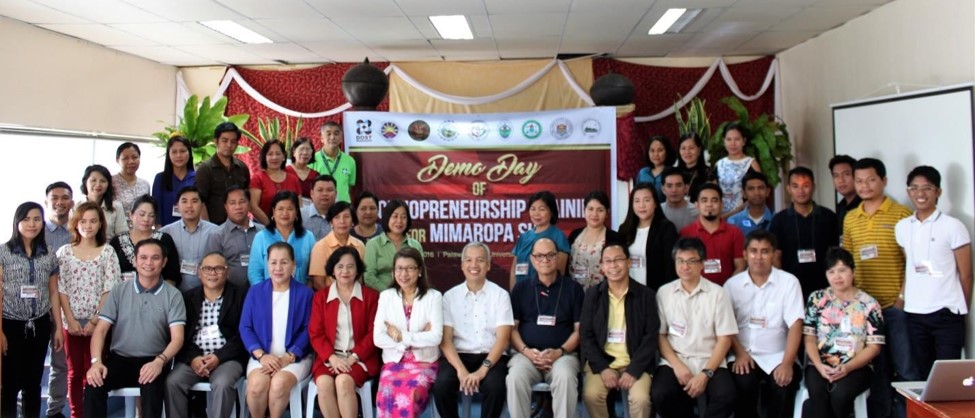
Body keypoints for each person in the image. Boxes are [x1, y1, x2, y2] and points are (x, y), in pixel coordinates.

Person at [842, 157, 917, 418]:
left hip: (895, 307)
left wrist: (901, 297)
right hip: (865, 311)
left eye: (871, 179)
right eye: (859, 180)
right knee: (877, 371)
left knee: (906, 368)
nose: (864, 185)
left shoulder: (902, 215)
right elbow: (847, 263)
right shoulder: (851, 219)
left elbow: (912, 262)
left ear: (883, 181)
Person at [83, 238, 186, 418]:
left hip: (154, 360)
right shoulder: (119, 290)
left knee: (152, 393)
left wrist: (159, 361)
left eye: (155, 258)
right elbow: (100, 330)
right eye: (143, 257)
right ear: (135, 261)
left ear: (164, 262)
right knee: (93, 385)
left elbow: (177, 338)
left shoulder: (174, 295)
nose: (148, 263)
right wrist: (96, 362)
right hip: (119, 359)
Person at [895, 166, 971, 378]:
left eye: (927, 188)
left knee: (948, 376)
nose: (920, 194)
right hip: (915, 313)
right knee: (923, 375)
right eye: (914, 188)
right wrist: (902, 297)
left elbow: (966, 275)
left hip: (946, 313)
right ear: (908, 191)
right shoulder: (902, 227)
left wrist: (961, 311)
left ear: (938, 192)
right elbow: (910, 264)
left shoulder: (953, 226)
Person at [651, 237, 737, 418]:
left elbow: (725, 338)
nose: (685, 267)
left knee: (726, 395)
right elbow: (661, 336)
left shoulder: (717, 293)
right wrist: (678, 366)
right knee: (661, 393)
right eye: (680, 261)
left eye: (691, 261)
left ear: (702, 264)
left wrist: (706, 373)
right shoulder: (664, 292)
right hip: (676, 359)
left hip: (710, 360)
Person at [724, 230, 804, 418]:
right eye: (753, 251)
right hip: (742, 354)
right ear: (744, 254)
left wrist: (787, 363)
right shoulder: (731, 285)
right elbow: (725, 326)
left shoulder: (789, 282)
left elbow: (795, 325)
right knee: (743, 384)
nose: (758, 257)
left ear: (774, 254)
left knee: (783, 385)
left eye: (764, 251)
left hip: (778, 355)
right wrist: (740, 353)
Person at [56, 202, 122, 418]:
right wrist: (71, 320)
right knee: (74, 372)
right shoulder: (64, 253)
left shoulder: (108, 252)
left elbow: (110, 287)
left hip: (100, 323)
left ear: (100, 223)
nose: (88, 225)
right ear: (75, 223)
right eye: (83, 221)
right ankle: (76, 414)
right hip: (71, 323)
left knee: (92, 369)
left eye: (93, 220)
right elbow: (60, 289)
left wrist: (95, 320)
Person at [433, 242, 513, 418]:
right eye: (468, 260)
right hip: (458, 356)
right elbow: (445, 341)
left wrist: (482, 370)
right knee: (442, 387)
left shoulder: (500, 295)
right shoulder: (449, 296)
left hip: (491, 357)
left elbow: (503, 339)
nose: (474, 265)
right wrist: (461, 370)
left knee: (495, 388)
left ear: (489, 265)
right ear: (462, 266)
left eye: (480, 260)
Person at [507, 238, 584, 418]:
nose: (545, 260)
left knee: (565, 377)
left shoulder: (574, 289)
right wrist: (527, 352)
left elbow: (579, 330)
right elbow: (512, 329)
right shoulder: (521, 289)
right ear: (532, 259)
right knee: (515, 377)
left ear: (557, 257)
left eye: (550, 255)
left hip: (562, 356)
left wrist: (559, 351)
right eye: (539, 256)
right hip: (526, 356)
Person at [803, 247, 884, 418]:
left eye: (842, 270)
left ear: (852, 271)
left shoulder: (869, 304)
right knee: (818, 394)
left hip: (856, 367)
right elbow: (809, 338)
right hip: (820, 365)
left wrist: (847, 367)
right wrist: (819, 366)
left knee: (840, 396)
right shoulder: (817, 299)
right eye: (831, 271)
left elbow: (874, 347)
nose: (837, 276)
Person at [580, 243, 659, 418]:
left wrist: (633, 370)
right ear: (602, 266)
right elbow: (586, 335)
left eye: (618, 260)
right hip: (602, 361)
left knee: (640, 400)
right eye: (607, 261)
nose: (613, 266)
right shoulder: (593, 295)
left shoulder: (646, 295)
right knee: (591, 396)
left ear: (629, 263)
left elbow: (651, 336)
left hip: (635, 362)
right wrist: (603, 368)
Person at [0, 202, 64, 418]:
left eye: (37, 219)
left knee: (33, 383)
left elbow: (54, 291)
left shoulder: (49, 255)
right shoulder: (3, 253)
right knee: (9, 385)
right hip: (10, 324)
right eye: (26, 219)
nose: (32, 224)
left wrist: (57, 328)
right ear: (17, 222)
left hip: (39, 324)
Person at [165, 252, 248, 418]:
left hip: (227, 358)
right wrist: (194, 358)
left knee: (223, 384)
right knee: (172, 382)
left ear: (228, 272)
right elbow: (180, 335)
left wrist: (218, 357)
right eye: (207, 269)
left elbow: (242, 335)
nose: (212, 273)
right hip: (194, 359)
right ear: (199, 273)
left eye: (218, 269)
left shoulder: (241, 296)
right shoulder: (187, 298)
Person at [239, 242, 315, 418]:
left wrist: (289, 356)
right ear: (267, 265)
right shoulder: (255, 292)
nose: (278, 268)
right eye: (273, 262)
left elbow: (309, 329)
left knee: (279, 385)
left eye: (284, 262)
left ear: (293, 265)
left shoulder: (306, 294)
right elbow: (245, 326)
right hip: (262, 357)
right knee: (256, 387)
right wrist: (261, 356)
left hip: (295, 359)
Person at [309, 247, 380, 418]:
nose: (345, 271)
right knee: (324, 384)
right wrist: (332, 358)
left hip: (359, 358)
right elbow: (315, 333)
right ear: (332, 270)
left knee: (343, 381)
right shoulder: (321, 297)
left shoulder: (371, 297)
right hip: (329, 358)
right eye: (340, 267)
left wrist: (353, 357)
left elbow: (374, 333)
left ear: (358, 270)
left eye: (350, 266)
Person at [374, 247, 443, 418]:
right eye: (399, 268)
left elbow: (436, 337)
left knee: (411, 393)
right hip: (394, 362)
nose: (404, 274)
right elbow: (378, 337)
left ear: (419, 271)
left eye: (410, 268)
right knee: (387, 390)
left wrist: (400, 335)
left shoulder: (433, 297)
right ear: (393, 272)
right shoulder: (386, 296)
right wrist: (416, 338)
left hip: (424, 362)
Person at [769, 167, 839, 299]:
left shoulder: (828, 216)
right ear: (788, 189)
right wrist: (780, 285)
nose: (801, 191)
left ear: (813, 187)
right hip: (791, 288)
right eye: (795, 186)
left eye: (805, 186)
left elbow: (835, 253)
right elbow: (776, 256)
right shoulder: (779, 220)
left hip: (825, 287)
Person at [44, 181, 74, 418]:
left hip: (64, 307)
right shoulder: (35, 229)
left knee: (60, 364)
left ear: (72, 203)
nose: (60, 202)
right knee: (28, 366)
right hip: (34, 308)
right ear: (47, 202)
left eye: (65, 197)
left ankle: (54, 412)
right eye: (55, 197)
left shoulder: (78, 232)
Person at [679, 183, 745, 286]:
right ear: (697, 205)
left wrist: (729, 289)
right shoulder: (686, 233)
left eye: (714, 200)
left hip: (727, 293)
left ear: (722, 204)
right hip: (695, 293)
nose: (709, 204)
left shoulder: (735, 232)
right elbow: (681, 267)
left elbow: (740, 266)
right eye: (704, 200)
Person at [247, 191, 316, 286]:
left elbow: (313, 274)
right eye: (280, 209)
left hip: (301, 296)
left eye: (290, 209)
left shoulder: (308, 237)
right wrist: (263, 294)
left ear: (297, 212)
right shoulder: (261, 237)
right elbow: (254, 273)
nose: (285, 213)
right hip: (268, 296)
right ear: (273, 212)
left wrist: (305, 294)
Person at [109, 195, 181, 285]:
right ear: (131, 215)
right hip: (122, 294)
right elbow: (109, 275)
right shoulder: (117, 241)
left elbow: (172, 276)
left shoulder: (164, 240)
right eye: (142, 214)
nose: (146, 219)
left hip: (156, 295)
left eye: (151, 215)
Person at [618, 183, 678, 290]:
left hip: (657, 291)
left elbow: (671, 267)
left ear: (655, 203)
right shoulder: (624, 229)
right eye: (637, 201)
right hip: (629, 291)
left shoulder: (666, 229)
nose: (641, 205)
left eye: (646, 200)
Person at [160, 186, 219, 291]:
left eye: (194, 201)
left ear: (202, 205)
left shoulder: (215, 232)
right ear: (177, 205)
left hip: (207, 292)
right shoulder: (165, 233)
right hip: (174, 292)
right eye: (184, 201)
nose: (189, 206)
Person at [509, 191, 571, 288]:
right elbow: (514, 271)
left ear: (551, 211)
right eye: (532, 209)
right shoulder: (524, 237)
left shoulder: (559, 236)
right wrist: (514, 294)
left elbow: (559, 273)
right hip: (521, 294)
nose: (536, 213)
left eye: (541, 209)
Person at [196, 122, 250, 225]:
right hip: (215, 227)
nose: (229, 145)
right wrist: (208, 230)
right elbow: (200, 202)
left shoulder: (242, 168)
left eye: (233, 141)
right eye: (224, 141)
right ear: (216, 141)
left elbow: (246, 199)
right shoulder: (205, 169)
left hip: (238, 227)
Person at [365, 199, 424, 292]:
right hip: (381, 297)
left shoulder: (415, 245)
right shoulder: (373, 244)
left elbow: (421, 274)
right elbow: (369, 277)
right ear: (387, 218)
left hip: (411, 297)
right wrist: (391, 294)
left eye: (403, 217)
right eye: (395, 216)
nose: (399, 221)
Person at [567, 191, 622, 289]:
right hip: (573, 295)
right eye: (590, 209)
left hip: (601, 295)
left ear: (607, 213)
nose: (594, 214)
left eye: (600, 210)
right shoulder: (574, 234)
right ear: (584, 210)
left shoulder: (614, 238)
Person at [308, 201, 366, 290]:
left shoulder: (359, 245)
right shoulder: (320, 247)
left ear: (353, 221)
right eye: (337, 217)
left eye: (346, 217)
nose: (342, 221)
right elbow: (318, 283)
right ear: (331, 222)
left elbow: (362, 278)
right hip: (330, 298)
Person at [250, 140, 303, 226]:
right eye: (270, 154)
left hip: (289, 227)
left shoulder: (293, 179)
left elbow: (299, 206)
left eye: (278, 154)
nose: (274, 157)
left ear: (283, 156)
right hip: (264, 227)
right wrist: (271, 226)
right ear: (264, 157)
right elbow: (253, 206)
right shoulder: (258, 178)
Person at [714, 123, 761, 216]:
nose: (733, 143)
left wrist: (732, 214)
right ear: (724, 141)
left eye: (737, 139)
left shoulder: (751, 164)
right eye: (729, 139)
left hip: (744, 215)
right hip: (719, 215)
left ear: (744, 141)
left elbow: (757, 194)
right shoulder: (719, 164)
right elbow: (712, 192)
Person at [152, 136, 196, 227]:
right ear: (169, 154)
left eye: (183, 151)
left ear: (189, 153)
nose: (178, 155)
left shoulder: (197, 178)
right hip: (166, 231)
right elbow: (157, 210)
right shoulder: (160, 178)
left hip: (192, 230)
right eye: (174, 152)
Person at [309, 121, 356, 203]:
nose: (332, 137)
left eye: (336, 134)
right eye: (328, 134)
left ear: (341, 138)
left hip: (343, 208)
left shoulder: (350, 161)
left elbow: (350, 186)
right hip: (321, 206)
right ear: (322, 139)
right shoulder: (312, 159)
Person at [80, 164, 128, 240]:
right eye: (93, 180)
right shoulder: (77, 207)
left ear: (108, 184)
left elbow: (122, 236)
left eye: (103, 181)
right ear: (85, 182)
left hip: (109, 249)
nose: (98, 184)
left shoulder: (116, 207)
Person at [727, 171, 772, 236]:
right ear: (744, 193)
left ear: (768, 192)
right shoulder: (734, 222)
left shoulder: (777, 220)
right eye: (751, 189)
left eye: (761, 188)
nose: (757, 193)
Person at [112, 142, 152, 214]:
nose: (131, 161)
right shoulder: (110, 182)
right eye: (125, 158)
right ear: (117, 160)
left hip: (141, 225)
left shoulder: (145, 184)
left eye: (135, 157)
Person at [829, 155, 860, 237]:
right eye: (836, 175)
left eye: (846, 174)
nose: (841, 180)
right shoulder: (840, 207)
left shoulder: (865, 205)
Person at [301, 175, 337, 240]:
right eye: (320, 190)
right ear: (312, 193)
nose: (325, 194)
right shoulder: (301, 215)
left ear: (336, 193)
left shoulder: (342, 216)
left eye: (329, 190)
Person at [286, 138, 321, 202]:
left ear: (311, 153)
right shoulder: (285, 172)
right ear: (294, 152)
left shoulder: (315, 175)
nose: (305, 153)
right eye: (301, 149)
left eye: (308, 150)